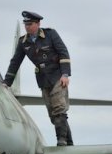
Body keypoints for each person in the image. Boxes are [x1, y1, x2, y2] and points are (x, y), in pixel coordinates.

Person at [4, 10, 73, 146]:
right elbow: (15, 62)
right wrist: (7, 82)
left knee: (59, 108)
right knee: (53, 114)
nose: (27, 27)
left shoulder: (50, 34)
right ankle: (69, 143)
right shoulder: (24, 42)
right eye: (26, 24)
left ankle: (61, 141)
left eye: (30, 24)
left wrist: (65, 75)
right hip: (43, 80)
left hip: (57, 76)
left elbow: (63, 53)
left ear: (38, 24)